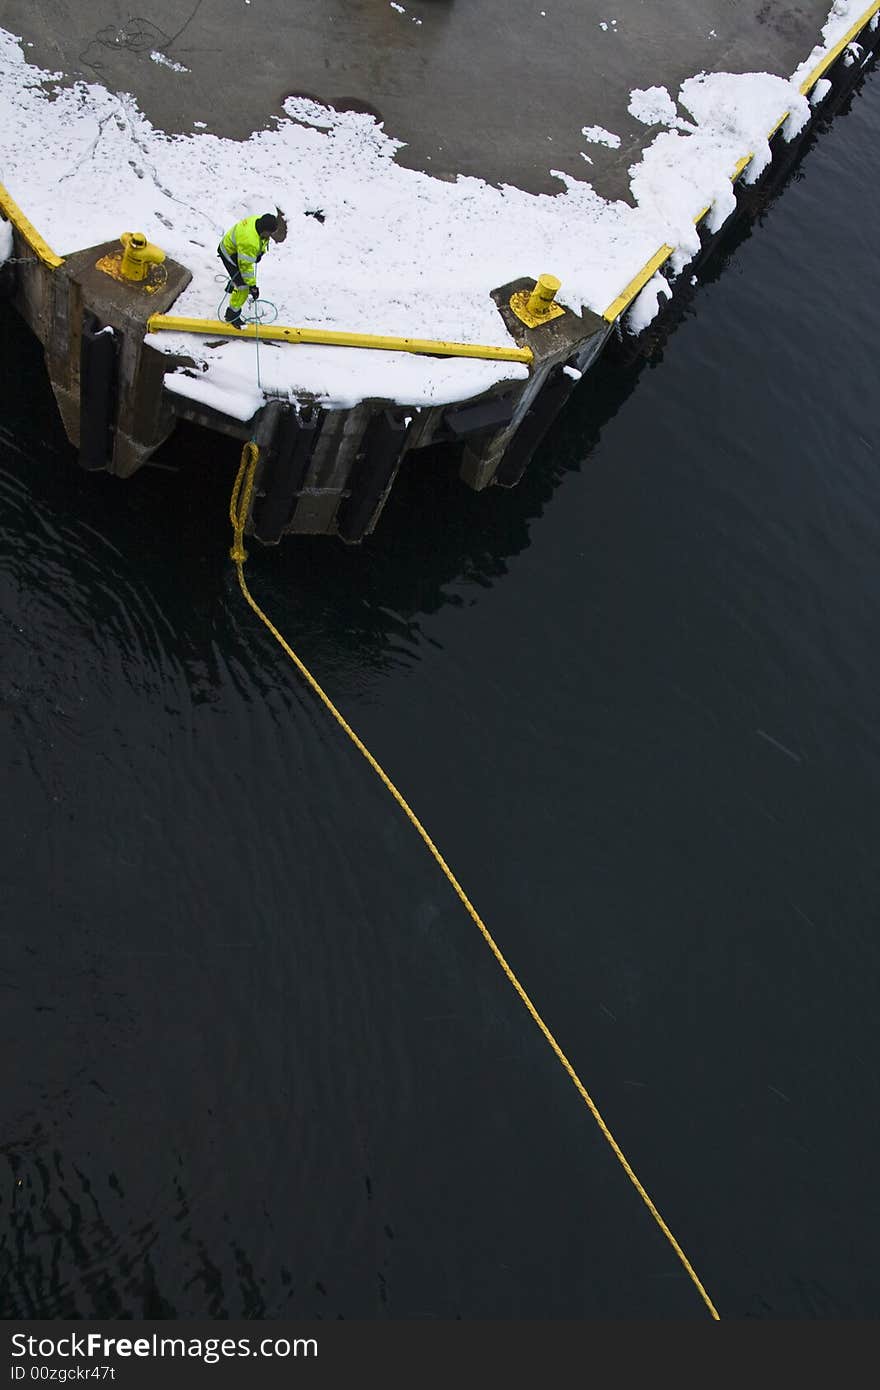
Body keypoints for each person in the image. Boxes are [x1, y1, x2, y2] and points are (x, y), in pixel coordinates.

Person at [217, 210, 285, 328]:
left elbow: (262, 241)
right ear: (265, 230)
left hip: (237, 249)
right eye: (270, 234)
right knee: (243, 286)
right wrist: (252, 287)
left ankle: (231, 284)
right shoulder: (249, 242)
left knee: (239, 276)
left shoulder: (258, 221)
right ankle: (232, 314)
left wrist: (259, 254)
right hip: (228, 253)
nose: (270, 237)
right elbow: (245, 268)